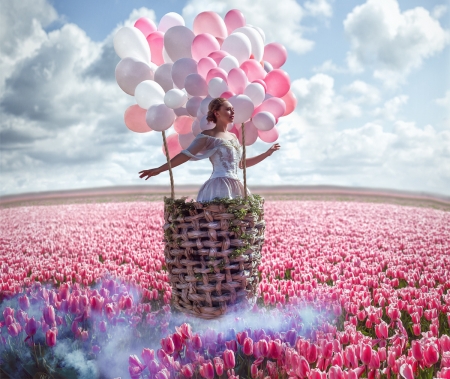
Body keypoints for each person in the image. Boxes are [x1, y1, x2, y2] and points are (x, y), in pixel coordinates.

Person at [139, 97, 280, 202]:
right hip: (218, 186)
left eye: (233, 110)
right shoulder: (207, 136)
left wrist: (266, 154)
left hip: (237, 187)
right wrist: (159, 169)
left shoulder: (233, 138)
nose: (232, 112)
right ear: (216, 113)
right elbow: (186, 155)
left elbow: (240, 164)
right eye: (228, 109)